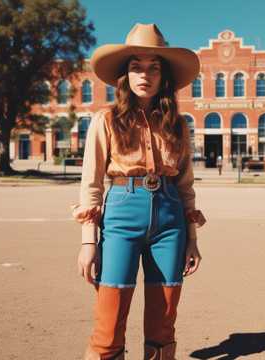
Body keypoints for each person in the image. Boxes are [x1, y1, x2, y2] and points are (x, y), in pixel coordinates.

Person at [71, 23, 207, 360]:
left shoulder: (178, 124)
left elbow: (186, 185)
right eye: (136, 67)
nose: (144, 75)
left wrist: (191, 238)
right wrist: (89, 241)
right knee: (110, 313)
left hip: (170, 219)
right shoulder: (105, 121)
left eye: (153, 68)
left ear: (164, 77)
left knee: (164, 319)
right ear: (125, 76)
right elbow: (91, 183)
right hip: (121, 214)